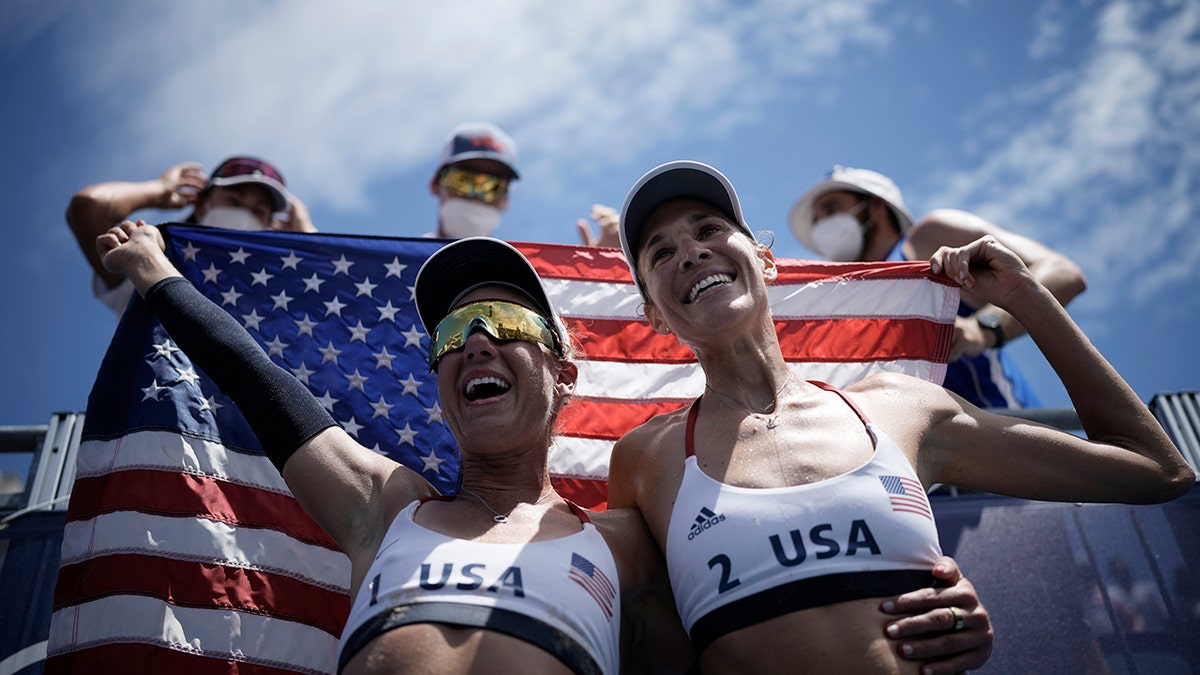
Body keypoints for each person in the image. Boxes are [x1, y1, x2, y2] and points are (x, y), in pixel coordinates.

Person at [97, 222, 997, 674]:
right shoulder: (384, 504)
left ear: (564, 375)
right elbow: (255, 379)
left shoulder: (623, 542)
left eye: (504, 322)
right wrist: (158, 274)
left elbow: (756, 631)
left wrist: (924, 602)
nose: (475, 340)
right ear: (441, 386)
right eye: (453, 334)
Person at [613, 160, 1193, 674]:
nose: (690, 251)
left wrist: (1022, 296)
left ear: (766, 263)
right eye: (661, 252)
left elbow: (1154, 468)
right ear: (654, 316)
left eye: (710, 230)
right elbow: (644, 643)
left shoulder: (899, 406)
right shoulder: (643, 460)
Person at [787, 166, 1088, 408]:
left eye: (831, 208)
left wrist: (980, 329)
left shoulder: (928, 240)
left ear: (875, 207)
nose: (822, 224)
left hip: (1018, 461)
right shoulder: (843, 300)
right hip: (931, 480)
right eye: (816, 220)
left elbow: (1063, 273)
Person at [67, 156, 316, 315]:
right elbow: (89, 205)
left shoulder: (277, 286)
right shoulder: (151, 259)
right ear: (201, 204)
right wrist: (157, 191)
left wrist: (307, 236)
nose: (244, 212)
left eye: (258, 210)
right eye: (233, 199)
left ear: (270, 225)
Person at [428, 122, 520, 239]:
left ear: (506, 201)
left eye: (493, 188)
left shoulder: (516, 258)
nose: (476, 198)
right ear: (436, 183)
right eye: (463, 181)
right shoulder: (400, 256)